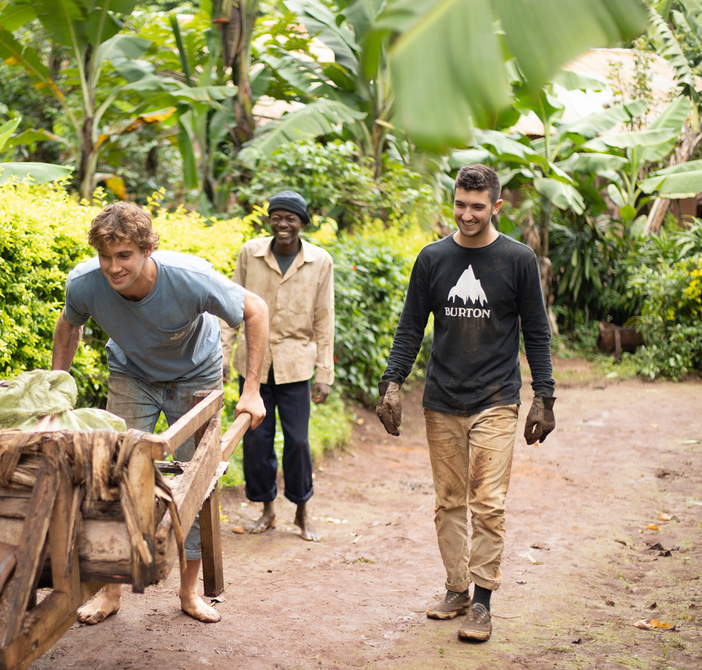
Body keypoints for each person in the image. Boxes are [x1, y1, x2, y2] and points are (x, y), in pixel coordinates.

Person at [52, 202, 268, 624]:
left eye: (124, 256)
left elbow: (255, 309)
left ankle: (188, 593)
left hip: (195, 376)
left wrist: (252, 390)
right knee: (114, 472)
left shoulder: (189, 278)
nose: (113, 268)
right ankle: (110, 592)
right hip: (132, 373)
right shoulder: (84, 283)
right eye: (106, 256)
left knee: (195, 481)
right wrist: (55, 385)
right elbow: (69, 323)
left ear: (149, 249)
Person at [374, 164, 556, 643]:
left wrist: (544, 396)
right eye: (460, 204)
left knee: (488, 504)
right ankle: (456, 588)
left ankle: (483, 601)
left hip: (496, 398)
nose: (467, 214)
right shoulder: (432, 259)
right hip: (442, 400)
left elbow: (536, 332)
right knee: (449, 502)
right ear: (452, 201)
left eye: (477, 206)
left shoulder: (517, 259)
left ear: (496, 207)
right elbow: (411, 326)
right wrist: (392, 383)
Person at [221, 191, 334, 542]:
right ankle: (267, 510)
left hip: (296, 365)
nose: (283, 224)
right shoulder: (250, 254)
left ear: (301, 222)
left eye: (290, 218)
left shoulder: (320, 261)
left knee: (298, 441)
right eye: (277, 217)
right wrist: (223, 355)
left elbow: (324, 318)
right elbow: (231, 306)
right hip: (253, 363)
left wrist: (324, 372)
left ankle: (302, 512)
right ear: (269, 220)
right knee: (257, 438)